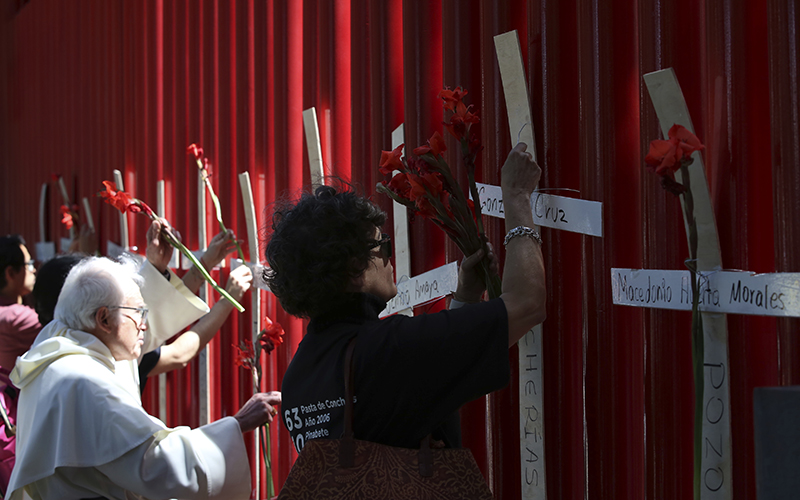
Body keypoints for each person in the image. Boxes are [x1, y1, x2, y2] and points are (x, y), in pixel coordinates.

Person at [267, 142, 546, 455]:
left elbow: (407, 401)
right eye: (382, 246)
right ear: (354, 267)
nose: (390, 259)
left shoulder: (298, 377)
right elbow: (526, 303)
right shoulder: (390, 349)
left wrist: (466, 295)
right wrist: (517, 197)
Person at [5, 256, 281, 500]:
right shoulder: (85, 383)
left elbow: (138, 328)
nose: (145, 324)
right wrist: (237, 424)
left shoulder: (58, 345)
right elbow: (158, 463)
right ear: (103, 319)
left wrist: (198, 261)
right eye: (139, 313)